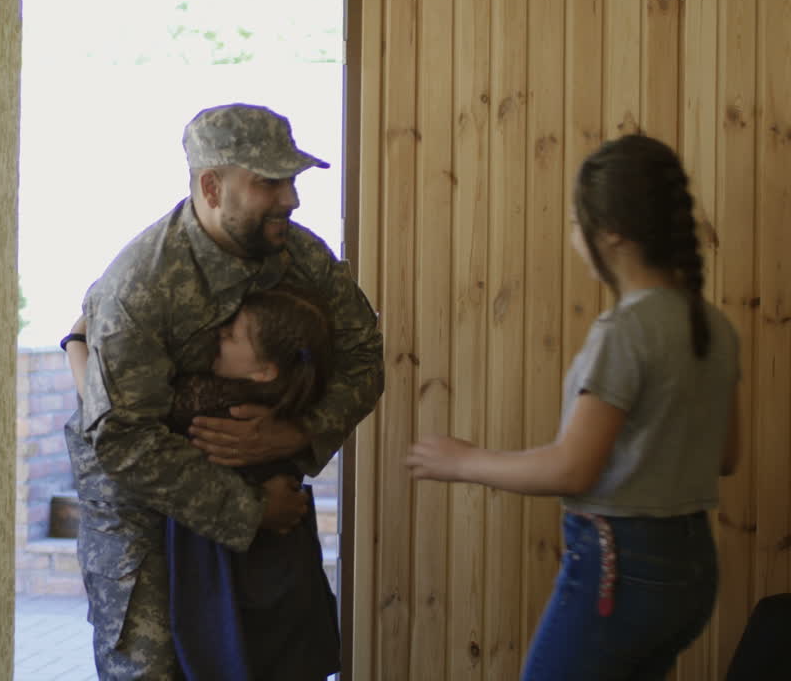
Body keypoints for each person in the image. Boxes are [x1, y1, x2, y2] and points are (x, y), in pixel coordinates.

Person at [62, 103, 385, 678]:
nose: (291, 198)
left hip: (257, 495)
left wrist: (296, 433)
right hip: (139, 507)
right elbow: (123, 440)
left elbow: (364, 355)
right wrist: (251, 510)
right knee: (150, 667)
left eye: (292, 180)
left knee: (266, 659)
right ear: (212, 187)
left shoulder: (297, 252)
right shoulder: (141, 286)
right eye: (270, 182)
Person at [405, 133, 741, 681]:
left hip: (622, 568)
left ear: (610, 233)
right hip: (694, 569)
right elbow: (724, 457)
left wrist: (462, 461)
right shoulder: (716, 327)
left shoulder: (624, 332)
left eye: (571, 220)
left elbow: (572, 468)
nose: (571, 235)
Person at [69, 285, 342, 681]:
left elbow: (108, 411)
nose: (219, 333)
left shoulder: (211, 402)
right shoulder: (282, 396)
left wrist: (75, 341)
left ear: (263, 369)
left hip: (238, 576)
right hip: (281, 572)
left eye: (233, 334)